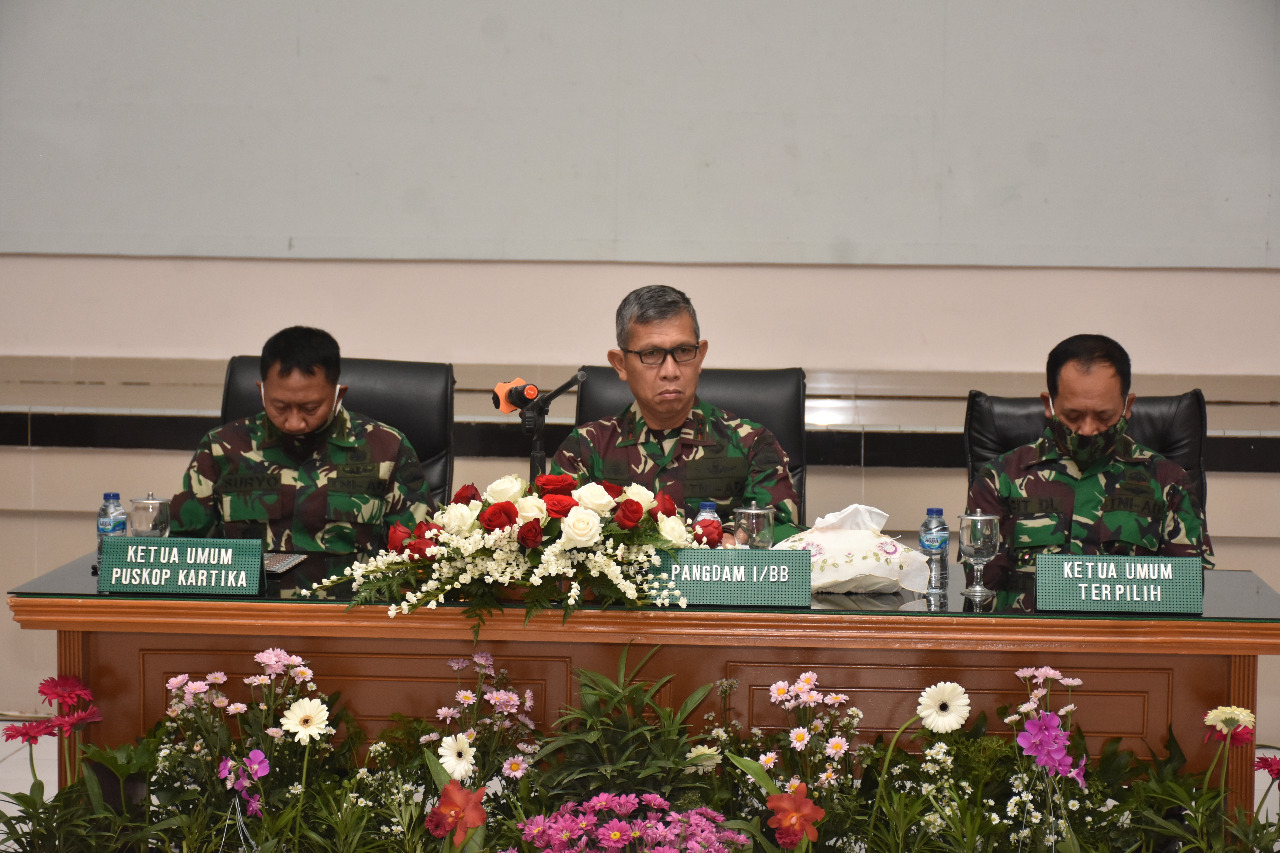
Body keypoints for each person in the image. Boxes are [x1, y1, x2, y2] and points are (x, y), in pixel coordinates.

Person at [966, 333, 1212, 608]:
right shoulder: (1000, 479)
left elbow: (1184, 593)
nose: (1087, 430)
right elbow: (981, 592)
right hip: (1029, 632)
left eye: (1104, 416)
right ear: (1049, 405)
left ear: (1127, 407)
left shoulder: (1169, 482)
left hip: (1125, 634)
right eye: (1073, 416)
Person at [551, 285, 800, 539]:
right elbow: (553, 538)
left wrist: (731, 536)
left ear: (700, 356)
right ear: (621, 364)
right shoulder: (584, 449)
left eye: (683, 351)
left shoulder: (752, 443)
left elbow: (784, 532)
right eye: (651, 354)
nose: (670, 371)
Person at [170, 326, 433, 554]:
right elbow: (184, 551)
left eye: (310, 408)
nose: (294, 422)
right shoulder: (221, 448)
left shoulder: (387, 448)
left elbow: (419, 552)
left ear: (338, 395)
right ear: (262, 392)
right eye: (280, 406)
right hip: (251, 598)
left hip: (352, 598)